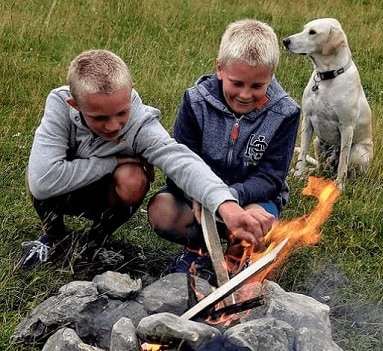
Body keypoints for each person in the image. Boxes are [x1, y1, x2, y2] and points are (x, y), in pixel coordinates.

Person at [16, 49, 273, 271]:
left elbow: (182, 161)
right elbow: (43, 182)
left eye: (121, 112)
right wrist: (112, 161)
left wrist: (226, 205)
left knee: (134, 178)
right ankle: (54, 235)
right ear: (75, 105)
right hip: (62, 190)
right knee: (36, 173)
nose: (114, 125)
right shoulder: (59, 106)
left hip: (104, 191)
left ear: (131, 92)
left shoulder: (140, 122)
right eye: (99, 118)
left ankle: (96, 240)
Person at [147, 19, 300, 279]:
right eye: (237, 83)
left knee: (260, 224)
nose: (245, 94)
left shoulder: (285, 112)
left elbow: (271, 178)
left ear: (271, 76)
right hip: (195, 198)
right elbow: (178, 166)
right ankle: (198, 251)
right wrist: (205, 196)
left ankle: (237, 258)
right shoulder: (195, 101)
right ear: (220, 68)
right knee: (162, 211)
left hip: (251, 200)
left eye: (257, 86)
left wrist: (228, 197)